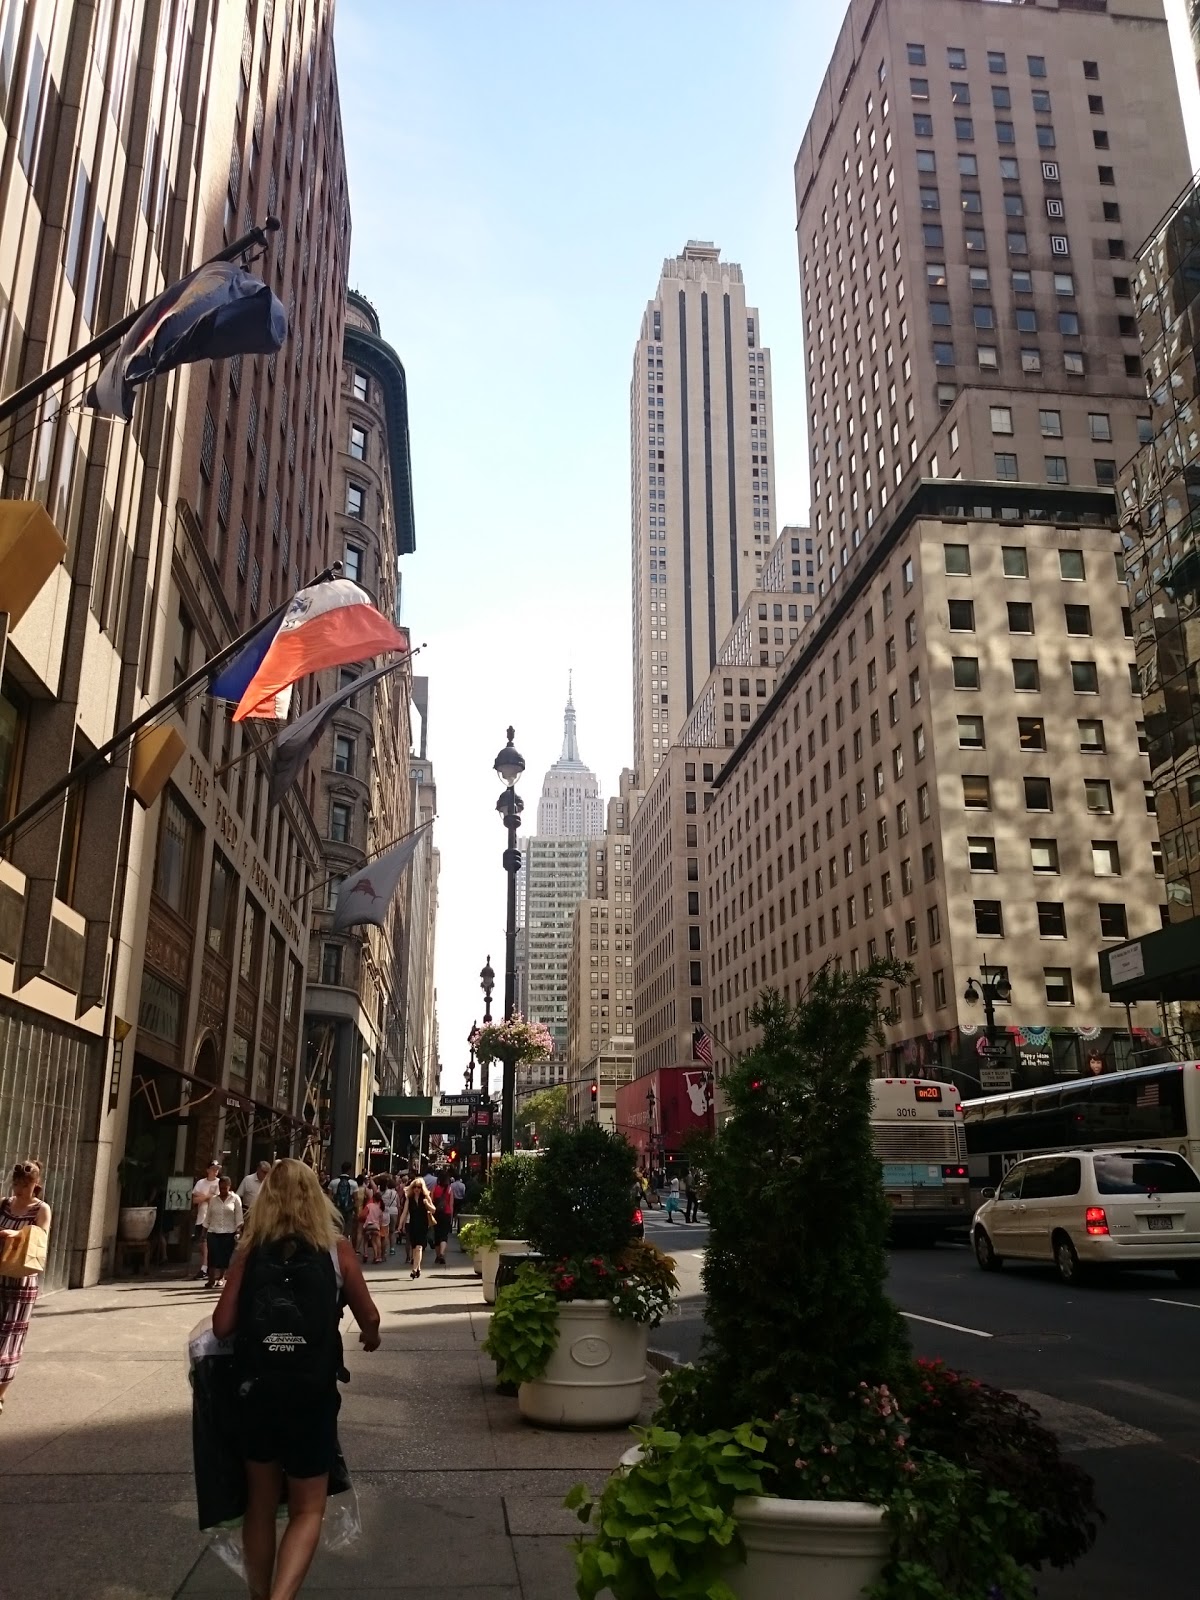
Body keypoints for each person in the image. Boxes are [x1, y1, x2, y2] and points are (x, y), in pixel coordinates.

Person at [212, 1160, 380, 1600]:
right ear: (317, 1197)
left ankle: (259, 1594)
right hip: (311, 1393)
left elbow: (222, 1326)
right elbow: (370, 1316)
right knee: (308, 1509)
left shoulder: (249, 1252)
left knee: (260, 1505)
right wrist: (371, 1335)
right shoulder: (336, 1249)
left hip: (256, 1391)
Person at [0, 1159, 51, 1415]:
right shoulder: (3, 1204)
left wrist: (15, 1235)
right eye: (16, 1184)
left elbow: (41, 1239)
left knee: (10, 1337)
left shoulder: (41, 1209)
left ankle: (0, 1395)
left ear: (35, 1184)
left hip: (22, 1281)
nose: (19, 1190)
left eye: (24, 1185)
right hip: (0, 1274)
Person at [204, 1175, 243, 1290]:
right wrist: (203, 1232)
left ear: (229, 1187)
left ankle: (221, 1278)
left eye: (225, 1188)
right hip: (213, 1230)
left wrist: (238, 1231)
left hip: (228, 1231)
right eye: (221, 1188)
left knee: (225, 1255)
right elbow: (208, 1217)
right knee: (212, 1255)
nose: (223, 1191)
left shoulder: (235, 1199)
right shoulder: (213, 1199)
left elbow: (239, 1217)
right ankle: (211, 1279)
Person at [398, 1176, 435, 1279]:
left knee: (419, 1247)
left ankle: (414, 1269)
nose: (417, 1189)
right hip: (412, 1224)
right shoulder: (409, 1199)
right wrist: (400, 1224)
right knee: (414, 1248)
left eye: (419, 1187)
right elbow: (404, 1212)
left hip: (423, 1225)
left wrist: (427, 1204)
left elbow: (433, 1210)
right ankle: (418, 1268)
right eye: (415, 1187)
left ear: (422, 1188)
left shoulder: (425, 1197)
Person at [192, 1160, 221, 1281]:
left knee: (206, 1243)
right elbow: (194, 1200)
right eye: (213, 1169)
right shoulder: (200, 1183)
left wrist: (203, 1196)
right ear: (208, 1170)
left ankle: (204, 1268)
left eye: (217, 1169)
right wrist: (208, 1196)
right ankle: (209, 1265)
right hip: (201, 1217)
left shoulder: (220, 1183)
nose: (215, 1171)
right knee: (201, 1244)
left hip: (213, 1218)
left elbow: (217, 1199)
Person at [430, 1170, 455, 1264]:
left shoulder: (435, 1188)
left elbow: (431, 1201)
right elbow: (451, 1204)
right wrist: (451, 1216)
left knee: (437, 1235)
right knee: (444, 1235)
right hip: (446, 1213)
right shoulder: (449, 1189)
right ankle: (442, 1253)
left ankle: (437, 1256)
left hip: (436, 1214)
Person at [328, 1162, 356, 1239]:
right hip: (348, 1209)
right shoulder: (353, 1183)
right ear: (349, 1170)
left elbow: (329, 1197)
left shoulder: (333, 1182)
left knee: (337, 1227)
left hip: (336, 1208)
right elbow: (356, 1199)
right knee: (347, 1229)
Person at [361, 1187, 384, 1265]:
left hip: (368, 1226)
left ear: (373, 1198)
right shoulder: (380, 1208)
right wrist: (379, 1227)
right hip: (376, 1227)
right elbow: (381, 1220)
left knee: (365, 1240)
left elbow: (364, 1214)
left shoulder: (369, 1205)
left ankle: (365, 1254)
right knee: (374, 1241)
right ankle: (376, 1257)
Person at [380, 1176, 400, 1257]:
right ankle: (392, 1248)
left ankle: (384, 1249)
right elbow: (398, 1204)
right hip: (394, 1211)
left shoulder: (384, 1192)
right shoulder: (396, 1193)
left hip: (386, 1211)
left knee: (385, 1232)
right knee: (392, 1231)